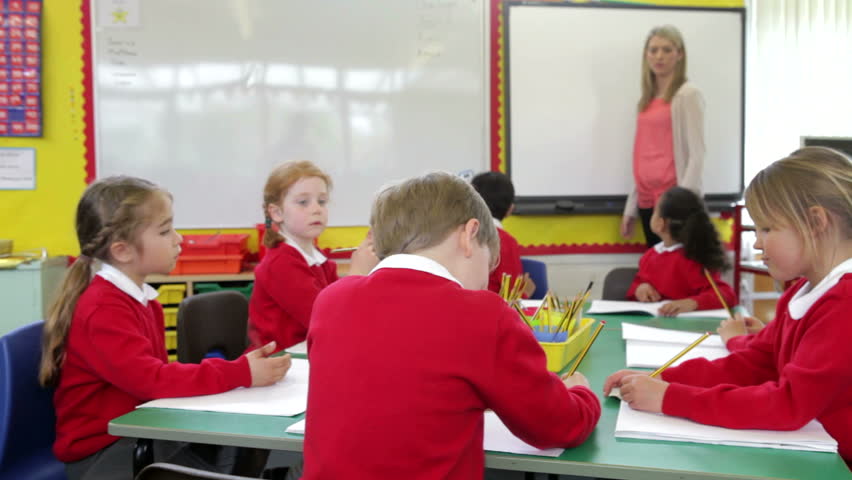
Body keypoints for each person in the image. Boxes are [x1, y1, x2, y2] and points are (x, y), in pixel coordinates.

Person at [302, 172, 601, 479]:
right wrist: (580, 393)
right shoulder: (483, 314)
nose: (485, 279)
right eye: (489, 263)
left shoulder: (330, 300)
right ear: (469, 235)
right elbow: (559, 425)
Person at [605, 147, 852, 466]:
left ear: (816, 222)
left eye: (767, 228)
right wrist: (661, 378)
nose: (758, 242)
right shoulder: (802, 293)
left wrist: (669, 398)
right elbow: (753, 363)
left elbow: (788, 405)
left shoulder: (843, 302)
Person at [39, 176, 292, 480]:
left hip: (141, 432)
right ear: (122, 251)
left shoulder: (143, 300)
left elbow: (155, 381)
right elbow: (153, 380)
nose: (179, 239)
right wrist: (241, 373)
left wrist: (239, 374)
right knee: (237, 456)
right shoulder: (103, 310)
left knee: (242, 447)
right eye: (165, 230)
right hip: (103, 454)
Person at [248, 161, 378, 350]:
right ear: (276, 213)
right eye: (303, 202)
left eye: (322, 201)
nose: (317, 209)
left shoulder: (317, 259)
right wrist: (358, 274)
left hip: (309, 354)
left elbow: (344, 314)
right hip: (280, 363)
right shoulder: (280, 262)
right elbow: (327, 320)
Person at [621, 25, 705, 248]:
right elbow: (642, 156)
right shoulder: (646, 99)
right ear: (646, 55)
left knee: (676, 272)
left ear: (680, 54)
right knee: (658, 271)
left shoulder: (687, 94)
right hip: (647, 201)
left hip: (672, 203)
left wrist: (680, 203)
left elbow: (697, 154)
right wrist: (631, 208)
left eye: (667, 50)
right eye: (654, 50)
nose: (659, 56)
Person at [626, 186, 736, 316]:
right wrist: (639, 289)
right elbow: (636, 284)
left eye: (655, 210)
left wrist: (692, 303)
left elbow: (726, 295)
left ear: (660, 223)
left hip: (687, 329)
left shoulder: (693, 257)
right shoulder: (649, 256)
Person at [470, 171, 535, 297]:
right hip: (491, 311)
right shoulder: (506, 241)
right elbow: (512, 297)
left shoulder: (458, 235)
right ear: (510, 209)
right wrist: (526, 292)